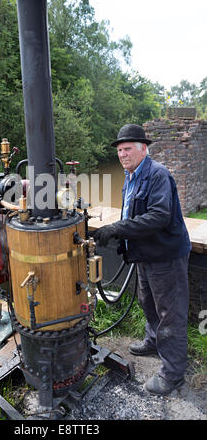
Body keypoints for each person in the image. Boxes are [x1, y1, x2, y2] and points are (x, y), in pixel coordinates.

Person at [92, 123, 191, 396]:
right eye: (120, 150)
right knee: (147, 301)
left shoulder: (158, 174)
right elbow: (130, 212)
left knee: (170, 313)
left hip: (166, 255)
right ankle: (153, 341)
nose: (122, 154)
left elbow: (159, 216)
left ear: (143, 149)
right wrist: (118, 229)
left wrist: (117, 229)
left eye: (128, 149)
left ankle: (173, 374)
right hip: (146, 254)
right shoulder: (131, 175)